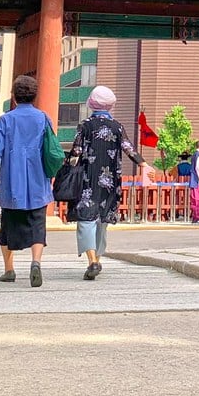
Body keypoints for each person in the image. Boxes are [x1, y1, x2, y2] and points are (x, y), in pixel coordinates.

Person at [0, 75, 55, 288]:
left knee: (8, 227)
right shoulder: (43, 118)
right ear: (35, 95)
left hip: (12, 181)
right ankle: (36, 262)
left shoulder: (6, 120)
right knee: (38, 224)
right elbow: (51, 149)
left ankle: (9, 269)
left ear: (14, 96)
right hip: (38, 179)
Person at [67, 86, 143, 279]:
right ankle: (98, 260)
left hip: (87, 179)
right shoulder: (117, 126)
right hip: (109, 181)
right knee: (102, 221)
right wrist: (143, 163)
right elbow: (128, 148)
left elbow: (76, 152)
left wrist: (66, 164)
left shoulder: (85, 126)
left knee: (86, 220)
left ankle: (92, 260)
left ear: (91, 103)